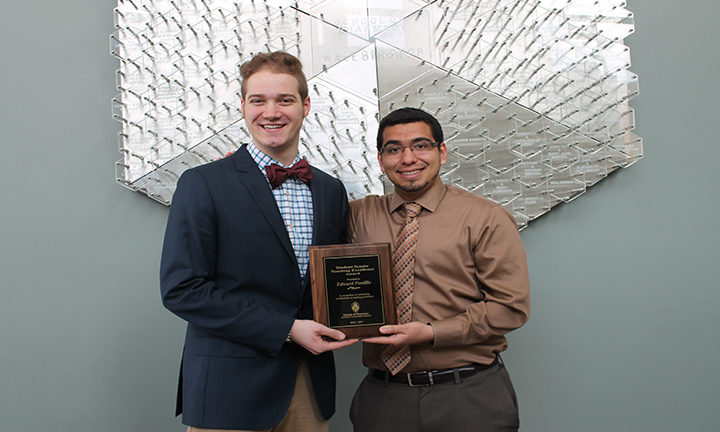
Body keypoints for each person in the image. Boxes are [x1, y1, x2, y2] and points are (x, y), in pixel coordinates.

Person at [160, 51, 356, 432]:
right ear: (243, 107)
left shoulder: (331, 190)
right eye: (258, 100)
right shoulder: (203, 183)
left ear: (306, 105)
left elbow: (334, 280)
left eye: (285, 100)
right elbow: (182, 289)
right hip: (228, 390)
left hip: (309, 387)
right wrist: (287, 328)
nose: (272, 112)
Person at [347, 107, 530, 432]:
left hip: (467, 395)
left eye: (420, 145)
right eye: (394, 149)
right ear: (380, 159)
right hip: (384, 398)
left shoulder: (485, 218)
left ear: (441, 152)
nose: (407, 158)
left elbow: (510, 309)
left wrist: (431, 332)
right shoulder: (358, 215)